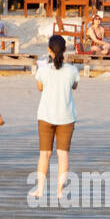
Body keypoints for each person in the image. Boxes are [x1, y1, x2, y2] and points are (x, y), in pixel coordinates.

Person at [30, 34, 79, 200]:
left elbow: (39, 88)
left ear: (49, 50)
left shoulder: (43, 70)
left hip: (45, 115)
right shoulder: (72, 70)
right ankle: (59, 191)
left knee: (44, 154)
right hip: (66, 116)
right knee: (63, 154)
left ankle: (40, 190)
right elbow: (75, 85)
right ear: (65, 50)